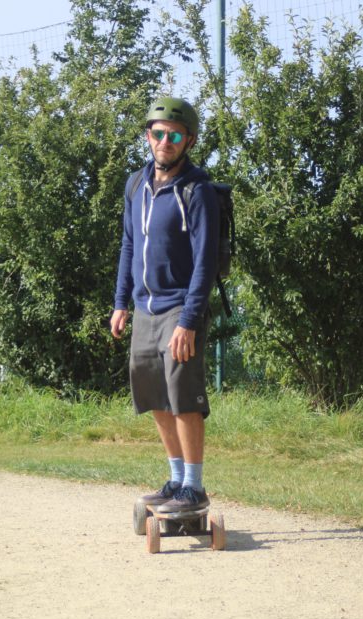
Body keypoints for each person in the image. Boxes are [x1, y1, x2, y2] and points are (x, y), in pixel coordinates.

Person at [110, 97, 219, 513]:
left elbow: (206, 261)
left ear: (188, 141)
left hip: (179, 308)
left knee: (182, 396)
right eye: (158, 133)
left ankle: (194, 487)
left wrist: (189, 321)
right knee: (154, 394)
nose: (165, 142)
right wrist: (121, 302)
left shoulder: (197, 190)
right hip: (144, 307)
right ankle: (175, 480)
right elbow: (128, 244)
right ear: (148, 136)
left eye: (174, 136)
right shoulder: (135, 185)